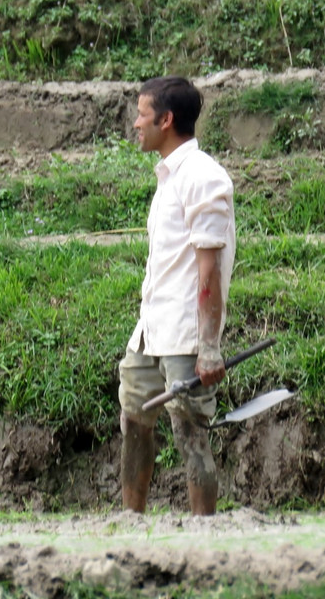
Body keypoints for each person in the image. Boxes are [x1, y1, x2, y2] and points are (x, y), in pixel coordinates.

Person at [119, 75, 236, 515]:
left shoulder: (204, 178)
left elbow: (209, 272)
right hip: (152, 328)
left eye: (142, 115)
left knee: (191, 433)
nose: (136, 124)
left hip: (185, 333)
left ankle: (204, 532)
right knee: (134, 418)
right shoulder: (169, 176)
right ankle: (132, 521)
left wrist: (208, 347)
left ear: (166, 120)